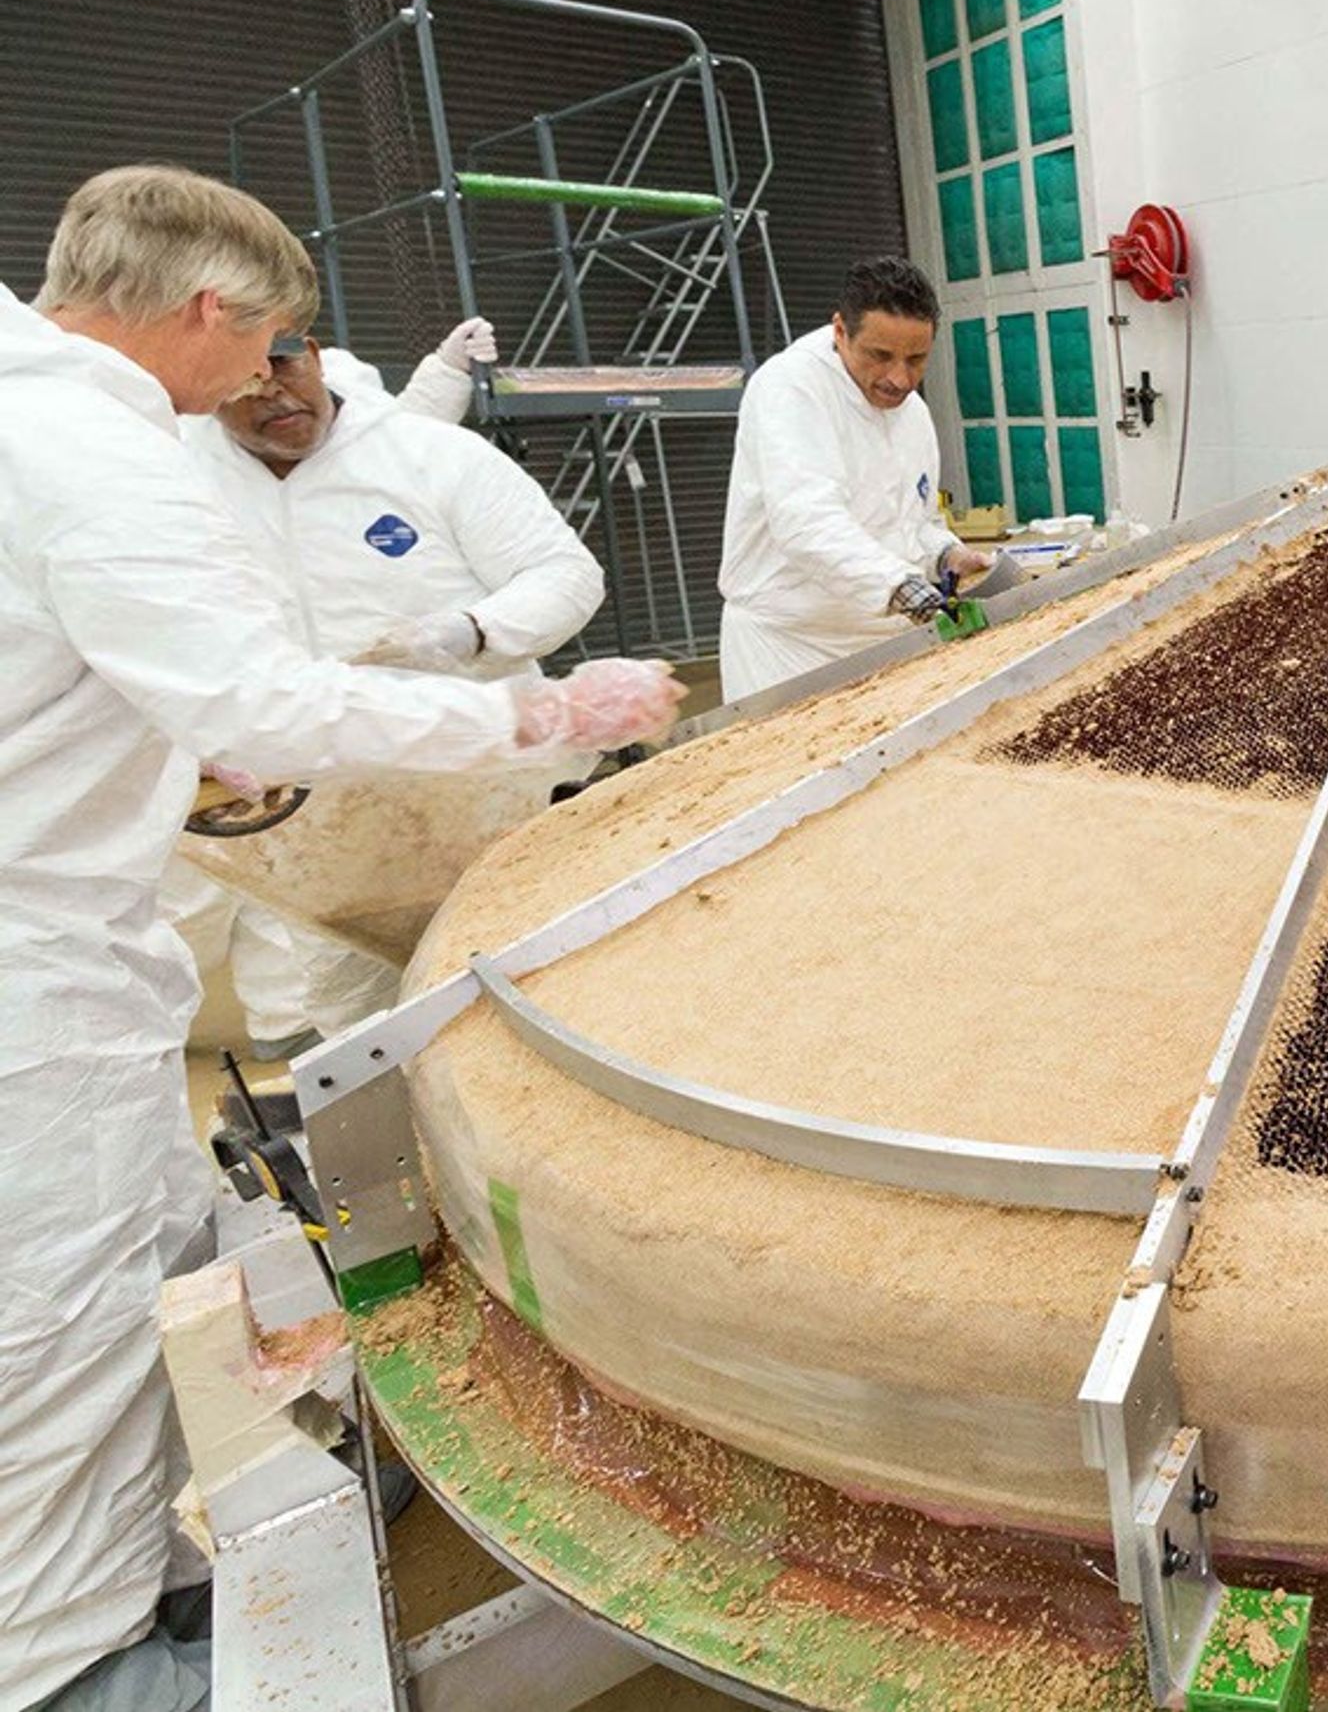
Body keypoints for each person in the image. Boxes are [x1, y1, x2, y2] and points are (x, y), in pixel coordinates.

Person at [0, 165, 682, 1712]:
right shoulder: (91, 444)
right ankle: (68, 1663)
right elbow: (255, 688)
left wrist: (196, 741)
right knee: (54, 1311)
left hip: (79, 919)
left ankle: (159, 1569)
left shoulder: (44, 412)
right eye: (265, 343)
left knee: (144, 1267)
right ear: (204, 312)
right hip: (34, 974)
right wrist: (543, 707)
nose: (265, 377)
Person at [165, 328, 607, 1053]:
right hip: (324, 821)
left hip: (482, 787)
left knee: (543, 980)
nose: (270, 390)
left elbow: (565, 573)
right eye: (243, 380)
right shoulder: (180, 482)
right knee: (363, 1022)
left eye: (284, 363)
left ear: (312, 350)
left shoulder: (427, 456)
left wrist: (467, 630)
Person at [715, 255, 993, 700]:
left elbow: (914, 521)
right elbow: (807, 523)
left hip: (886, 640)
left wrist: (946, 555)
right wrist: (899, 585)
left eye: (917, 359)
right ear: (840, 331)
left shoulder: (912, 413)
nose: (900, 379)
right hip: (790, 648)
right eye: (880, 356)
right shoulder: (791, 388)